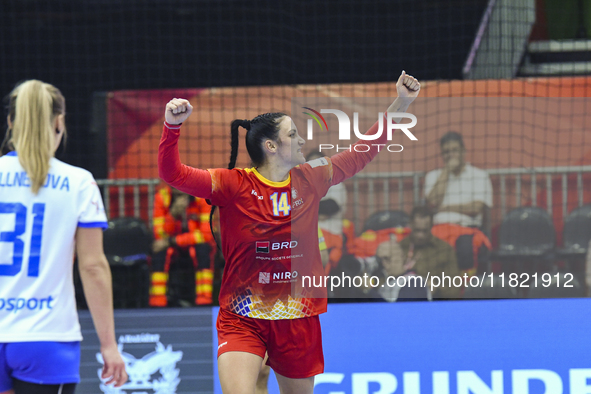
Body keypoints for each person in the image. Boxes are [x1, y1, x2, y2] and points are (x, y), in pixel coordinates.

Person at [158, 71, 420, 394]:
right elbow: (172, 174)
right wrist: (172, 126)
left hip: (296, 318)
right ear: (271, 146)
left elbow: (364, 150)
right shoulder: (232, 184)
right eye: (293, 134)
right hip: (244, 315)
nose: (302, 141)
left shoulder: (311, 179)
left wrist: (403, 102)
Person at [0, 80, 127, 394]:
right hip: (46, 336)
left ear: (11, 122)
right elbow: (93, 267)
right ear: (59, 122)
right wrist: (109, 346)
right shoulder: (78, 182)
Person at [150, 185, 215, 306]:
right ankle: (157, 302)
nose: (179, 194)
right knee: (158, 251)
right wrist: (173, 214)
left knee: (203, 249)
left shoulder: (203, 198)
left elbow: (206, 235)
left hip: (192, 243)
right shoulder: (161, 197)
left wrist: (173, 241)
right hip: (171, 246)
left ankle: (204, 300)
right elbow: (160, 235)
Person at [424, 131, 493, 231]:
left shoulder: (480, 175)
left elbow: (476, 208)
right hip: (437, 228)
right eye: (446, 152)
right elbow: (433, 203)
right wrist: (446, 171)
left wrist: (445, 208)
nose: (451, 155)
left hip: (468, 228)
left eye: (455, 150)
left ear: (463, 151)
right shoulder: (432, 176)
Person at [398, 206, 461, 298]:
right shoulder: (400, 248)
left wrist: (437, 288)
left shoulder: (445, 250)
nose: (420, 236)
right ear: (410, 225)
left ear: (431, 226)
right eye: (417, 230)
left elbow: (454, 290)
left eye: (425, 231)